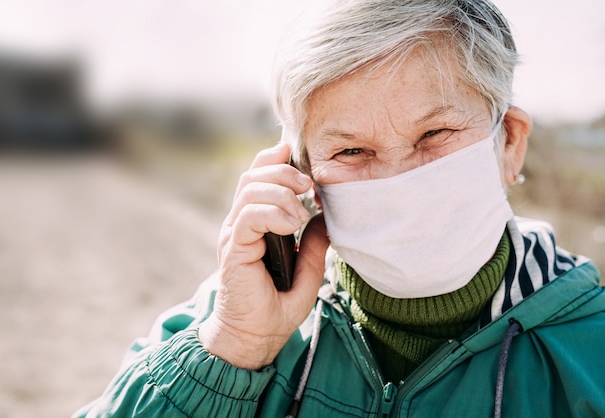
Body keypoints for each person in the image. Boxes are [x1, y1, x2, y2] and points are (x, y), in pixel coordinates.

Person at [74, 1, 605, 417]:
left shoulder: (590, 353)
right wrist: (234, 348)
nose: (398, 177)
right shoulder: (228, 320)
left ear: (508, 143)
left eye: (435, 133)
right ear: (299, 173)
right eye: (351, 150)